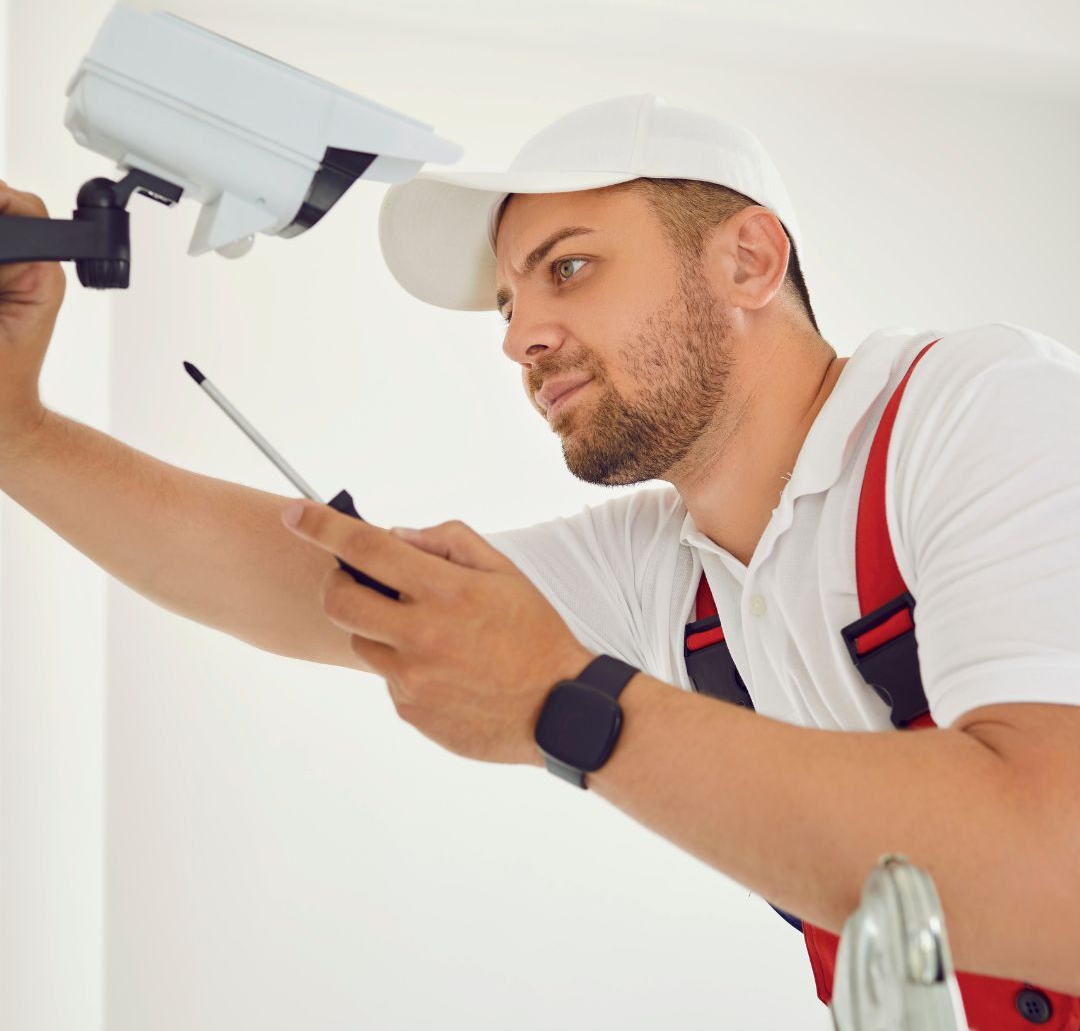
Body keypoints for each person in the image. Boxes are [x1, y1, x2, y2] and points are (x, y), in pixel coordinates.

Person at [1, 94, 1078, 1019]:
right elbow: (318, 589)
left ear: (748, 261)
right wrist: (17, 432)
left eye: (570, 268)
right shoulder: (667, 565)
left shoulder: (979, 409)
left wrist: (572, 702)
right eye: (515, 301)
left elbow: (1051, 869)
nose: (519, 337)